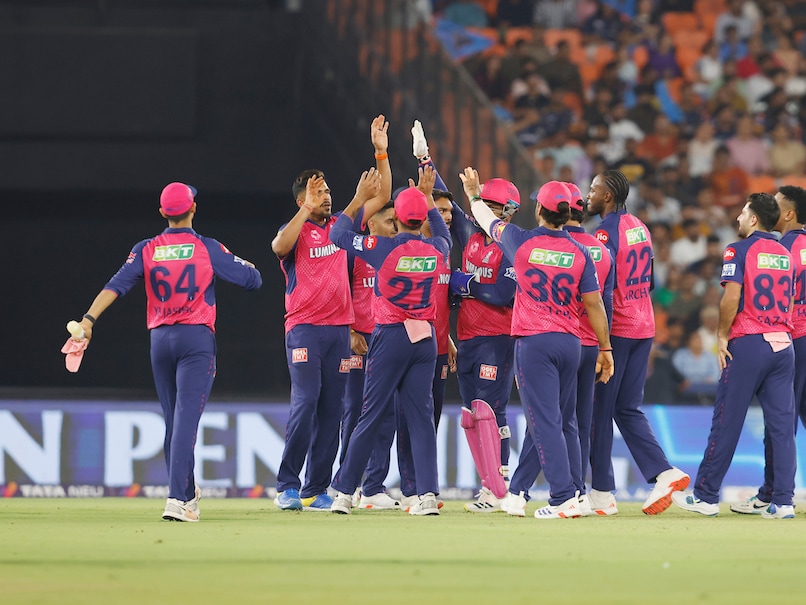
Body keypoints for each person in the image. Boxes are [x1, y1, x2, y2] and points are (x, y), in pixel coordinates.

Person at [67, 183, 262, 522]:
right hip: (195, 341)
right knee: (185, 421)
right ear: (193, 208)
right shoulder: (206, 247)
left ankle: (186, 492)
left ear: (162, 213)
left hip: (160, 342)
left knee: (174, 421)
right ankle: (176, 499)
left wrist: (88, 319)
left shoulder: (146, 249)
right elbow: (252, 280)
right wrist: (245, 265)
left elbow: (116, 285)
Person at [468, 174, 614, 519]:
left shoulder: (520, 241)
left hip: (534, 343)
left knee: (544, 421)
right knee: (562, 420)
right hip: (571, 343)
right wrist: (606, 349)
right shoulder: (581, 252)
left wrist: (474, 195)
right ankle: (563, 492)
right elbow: (594, 304)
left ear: (539, 211)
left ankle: (562, 497)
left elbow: (486, 219)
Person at [271, 115, 392, 511]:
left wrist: (380, 152)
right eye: (317, 192)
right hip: (304, 329)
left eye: (326, 190)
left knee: (331, 410)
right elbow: (278, 247)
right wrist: (308, 209)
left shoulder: (342, 226)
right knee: (306, 402)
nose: (325, 196)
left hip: (339, 331)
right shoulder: (296, 229)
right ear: (301, 199)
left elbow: (382, 195)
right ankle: (287, 485)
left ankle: (316, 488)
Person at [328, 166, 451, 516]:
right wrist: (428, 199)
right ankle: (427, 496)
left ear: (396, 219)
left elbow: (337, 235)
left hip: (390, 337)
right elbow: (444, 233)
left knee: (370, 414)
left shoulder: (380, 248)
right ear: (422, 219)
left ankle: (344, 493)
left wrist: (358, 199)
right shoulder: (438, 248)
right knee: (421, 419)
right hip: (425, 340)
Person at [410, 121, 517, 513]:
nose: (483, 210)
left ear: (507, 212)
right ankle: (490, 485)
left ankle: (500, 486)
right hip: (469, 338)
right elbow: (444, 203)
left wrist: (465, 284)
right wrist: (424, 157)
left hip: (497, 339)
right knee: (473, 414)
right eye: (482, 203)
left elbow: (504, 293)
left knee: (492, 411)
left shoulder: (511, 244)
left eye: (492, 206)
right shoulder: (471, 235)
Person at [673, 193, 797, 519]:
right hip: (783, 344)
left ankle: (706, 496)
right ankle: (783, 502)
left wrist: (721, 335)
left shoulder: (737, 250)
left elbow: (731, 298)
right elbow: (790, 298)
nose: (739, 218)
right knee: (782, 428)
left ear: (754, 219)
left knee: (726, 421)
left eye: (743, 213)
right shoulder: (786, 254)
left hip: (749, 344)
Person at [586, 169, 690, 516]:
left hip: (617, 329)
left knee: (600, 411)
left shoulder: (604, 233)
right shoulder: (641, 228)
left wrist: (602, 341)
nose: (588, 195)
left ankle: (602, 493)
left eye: (593, 189)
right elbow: (651, 280)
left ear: (608, 196)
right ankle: (665, 473)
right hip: (644, 325)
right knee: (627, 408)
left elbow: (601, 288)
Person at [729, 185, 806, 516]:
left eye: (776, 205)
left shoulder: (778, 247)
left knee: (780, 420)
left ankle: (773, 493)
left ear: (788, 213)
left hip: (789, 336)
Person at [340, 201, 401, 510]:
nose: (395, 227)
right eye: (390, 221)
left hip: (388, 339)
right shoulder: (356, 253)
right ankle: (345, 484)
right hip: (360, 341)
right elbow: (339, 290)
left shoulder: (399, 252)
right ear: (372, 225)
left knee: (387, 414)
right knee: (354, 410)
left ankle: (374, 487)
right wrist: (350, 330)